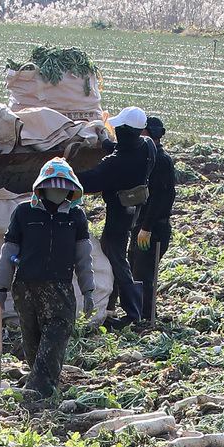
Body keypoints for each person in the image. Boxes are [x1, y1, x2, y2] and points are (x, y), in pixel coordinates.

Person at [0, 159, 95, 410]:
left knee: (56, 335)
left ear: (71, 191)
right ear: (42, 188)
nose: (58, 193)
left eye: (63, 188)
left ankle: (40, 392)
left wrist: (88, 290)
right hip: (26, 288)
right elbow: (8, 252)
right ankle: (40, 382)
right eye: (53, 187)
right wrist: (0, 287)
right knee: (32, 340)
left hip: (59, 289)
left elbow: (83, 257)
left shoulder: (75, 217)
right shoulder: (24, 213)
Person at [77, 107, 155, 326]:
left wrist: (63, 170)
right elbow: (123, 150)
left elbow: (89, 180)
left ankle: (132, 312)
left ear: (123, 131)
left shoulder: (114, 163)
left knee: (117, 256)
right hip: (135, 206)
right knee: (112, 251)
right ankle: (111, 305)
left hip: (119, 213)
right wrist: (107, 144)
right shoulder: (147, 147)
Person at [129, 114, 175, 324]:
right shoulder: (148, 156)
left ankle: (146, 317)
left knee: (144, 273)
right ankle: (137, 312)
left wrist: (146, 227)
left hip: (154, 228)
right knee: (135, 268)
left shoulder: (160, 161)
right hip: (142, 225)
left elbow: (160, 198)